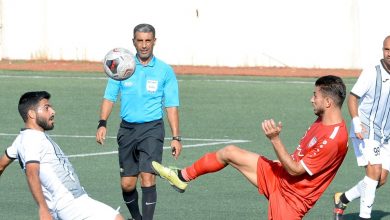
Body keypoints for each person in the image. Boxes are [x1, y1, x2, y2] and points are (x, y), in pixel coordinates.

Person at [152, 75, 348, 220]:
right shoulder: (321, 120)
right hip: (280, 176)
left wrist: (274, 139)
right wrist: (279, 160)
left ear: (328, 102)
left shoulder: (334, 139)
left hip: (292, 200)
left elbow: (296, 170)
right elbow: (299, 159)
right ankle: (181, 177)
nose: (311, 99)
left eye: (315, 95)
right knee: (230, 152)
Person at [96, 23, 182, 220]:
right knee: (127, 184)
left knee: (148, 177)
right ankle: (137, 217)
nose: (144, 45)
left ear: (154, 42)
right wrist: (102, 123)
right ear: (133, 42)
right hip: (127, 130)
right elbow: (110, 97)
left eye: (148, 41)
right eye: (140, 41)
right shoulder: (120, 67)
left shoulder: (164, 71)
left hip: (152, 129)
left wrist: (176, 137)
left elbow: (171, 105)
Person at [12, 91, 124, 220]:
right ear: (31, 114)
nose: (53, 112)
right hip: (70, 203)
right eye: (47, 108)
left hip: (67, 204)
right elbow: (32, 173)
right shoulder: (32, 140)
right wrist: (43, 208)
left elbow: (1, 165)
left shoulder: (21, 139)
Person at [333, 35, 390, 220]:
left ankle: (343, 198)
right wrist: (356, 121)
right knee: (373, 172)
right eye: (387, 49)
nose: (389, 54)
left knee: (379, 179)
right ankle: (365, 217)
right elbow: (353, 97)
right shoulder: (372, 72)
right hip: (365, 129)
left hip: (386, 134)